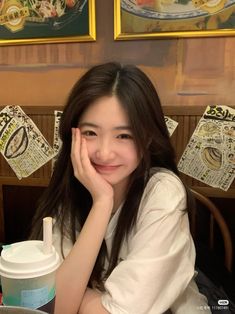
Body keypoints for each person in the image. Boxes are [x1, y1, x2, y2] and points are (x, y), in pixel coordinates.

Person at [30, 62, 210, 314]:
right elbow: (58, 308)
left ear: (146, 138)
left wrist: (77, 294)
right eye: (90, 133)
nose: (104, 153)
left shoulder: (163, 192)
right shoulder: (71, 193)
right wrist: (102, 202)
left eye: (123, 135)